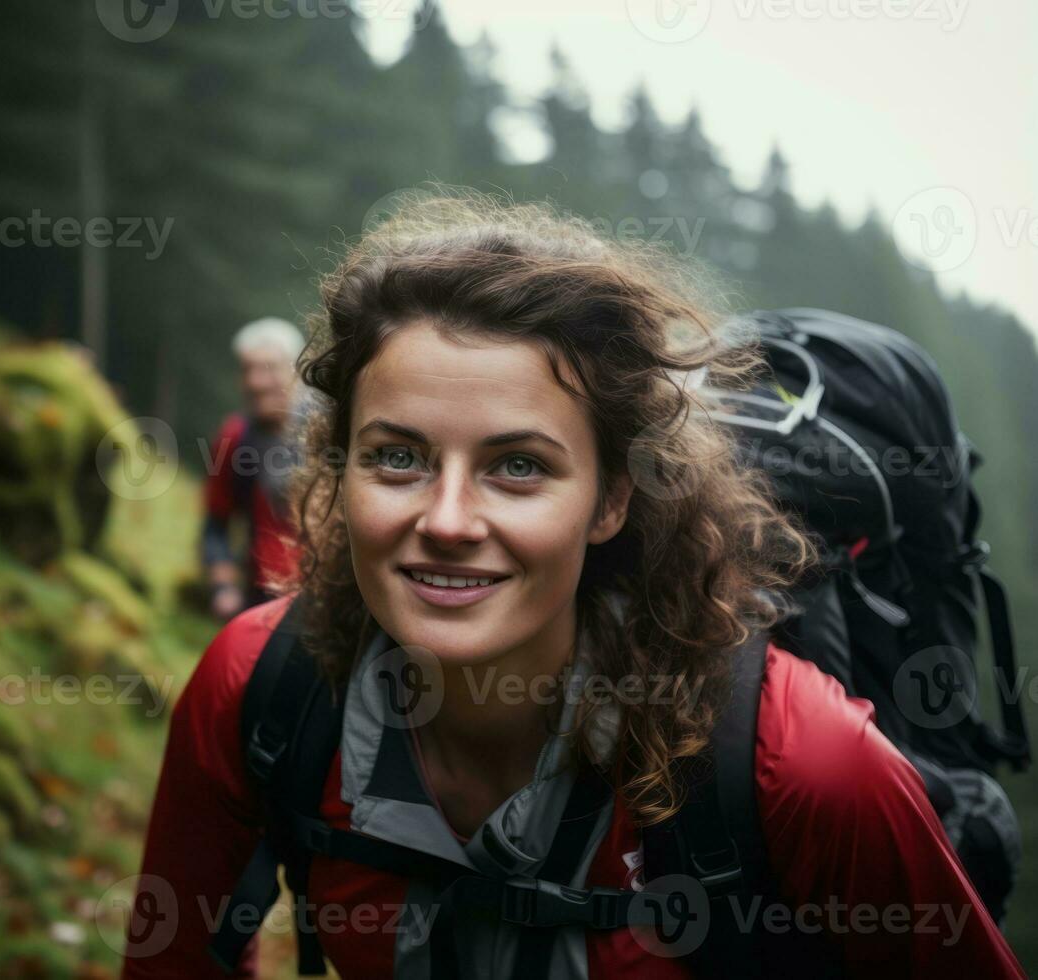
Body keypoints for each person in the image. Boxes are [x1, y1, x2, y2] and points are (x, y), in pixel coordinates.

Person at [125, 194, 1024, 978]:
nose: (445, 518)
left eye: (516, 467)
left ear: (611, 501)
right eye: (396, 456)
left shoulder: (798, 765)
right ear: (338, 466)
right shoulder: (261, 688)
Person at [200, 317, 306, 620]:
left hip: (329, 597)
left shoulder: (332, 432)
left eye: (269, 369)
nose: (256, 382)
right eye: (248, 370)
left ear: (296, 373)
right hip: (260, 599)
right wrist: (223, 587)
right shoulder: (234, 438)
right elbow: (215, 525)